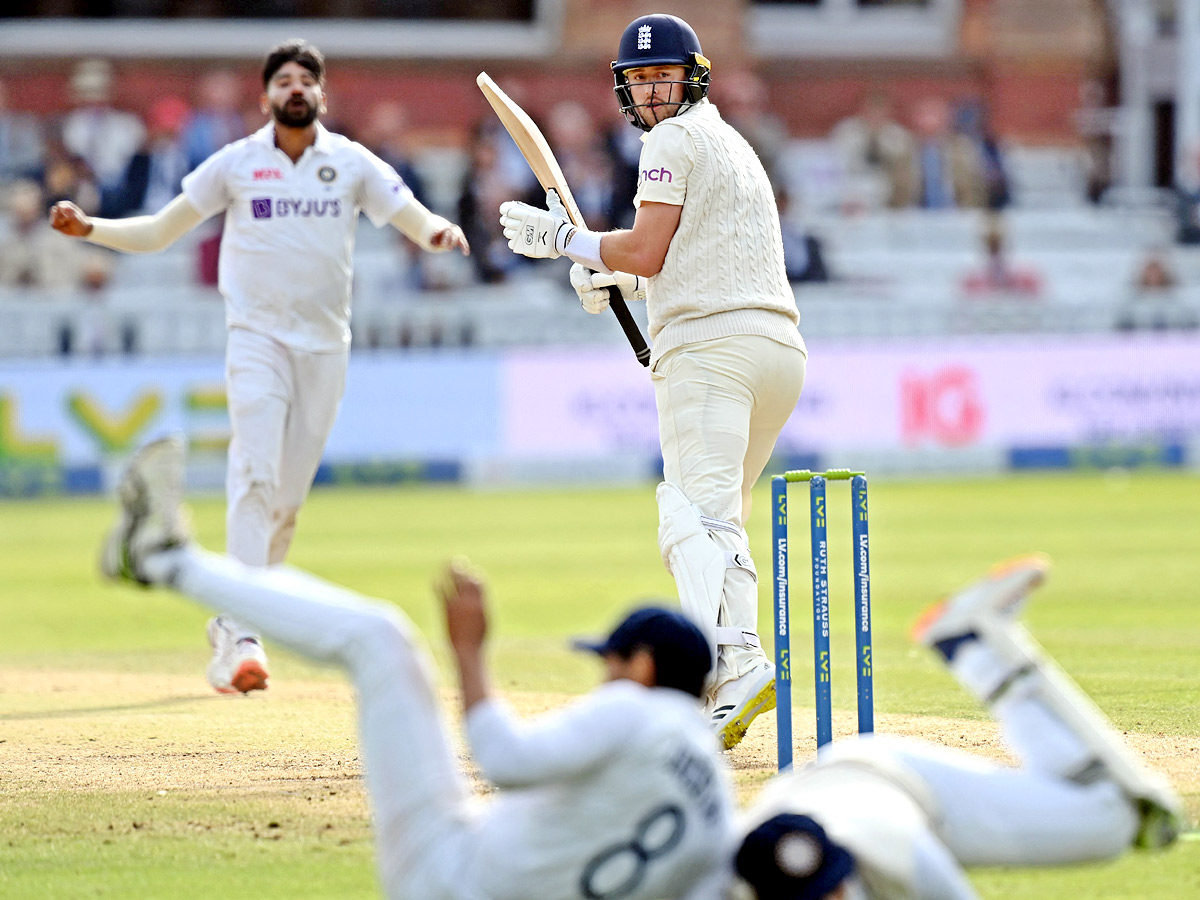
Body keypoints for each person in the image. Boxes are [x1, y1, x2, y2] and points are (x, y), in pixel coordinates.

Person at [100, 435, 736, 900]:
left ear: (644, 667)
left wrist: (468, 652)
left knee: (383, 640)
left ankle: (161, 558)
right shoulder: (716, 806)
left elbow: (503, 759)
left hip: (448, 872)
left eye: (610, 663)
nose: (605, 679)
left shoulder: (638, 709)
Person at [49, 39, 470, 696]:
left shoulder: (351, 162)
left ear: (322, 95)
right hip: (257, 340)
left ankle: (234, 618)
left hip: (325, 347)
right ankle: (242, 634)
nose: (295, 88)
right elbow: (162, 229)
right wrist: (91, 229)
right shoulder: (237, 163)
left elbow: (409, 213)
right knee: (252, 474)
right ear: (266, 96)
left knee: (286, 505)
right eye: (283, 80)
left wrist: (437, 234)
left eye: (306, 79)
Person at [496, 13, 808, 751]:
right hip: (776, 351)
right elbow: (684, 260)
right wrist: (619, 280)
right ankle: (736, 666)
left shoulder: (671, 140)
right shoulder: (732, 144)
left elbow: (648, 247)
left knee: (690, 520)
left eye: (661, 75)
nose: (651, 91)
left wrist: (566, 241)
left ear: (692, 76)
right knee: (720, 519)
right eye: (637, 80)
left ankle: (737, 667)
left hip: (712, 354)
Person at [732, 555, 1183, 900]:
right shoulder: (720, 882)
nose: (838, 896)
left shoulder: (898, 855)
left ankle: (973, 647)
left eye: (836, 884)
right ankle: (970, 646)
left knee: (1110, 823)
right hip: (822, 786)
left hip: (900, 785)